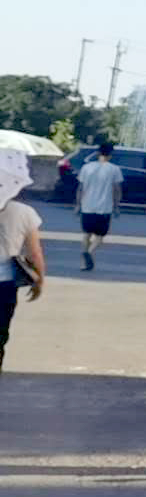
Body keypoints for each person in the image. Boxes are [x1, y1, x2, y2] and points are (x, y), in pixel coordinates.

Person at [0, 150, 48, 375]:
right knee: (0, 331)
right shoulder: (25, 213)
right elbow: (35, 252)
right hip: (5, 284)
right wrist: (39, 281)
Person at [75, 142, 123, 271]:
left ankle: (84, 260)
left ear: (97, 153)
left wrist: (78, 205)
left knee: (86, 234)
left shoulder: (86, 168)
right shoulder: (114, 169)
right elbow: (117, 190)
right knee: (100, 236)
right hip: (105, 207)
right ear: (110, 154)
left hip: (87, 206)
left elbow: (80, 188)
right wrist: (116, 206)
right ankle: (89, 252)